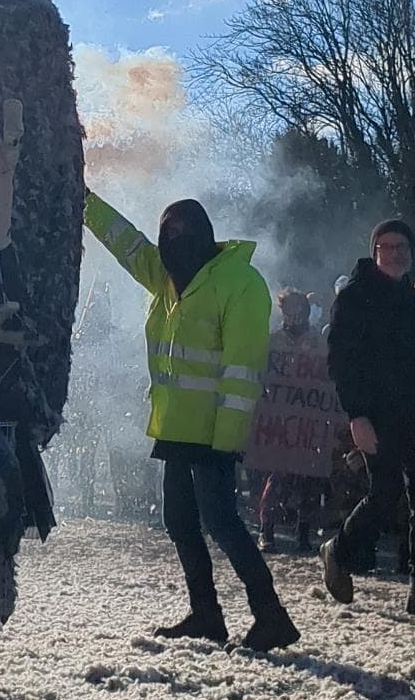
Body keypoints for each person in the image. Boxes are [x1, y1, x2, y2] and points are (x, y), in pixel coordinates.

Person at [84, 190, 299, 650]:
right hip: (175, 427)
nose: (172, 239)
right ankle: (207, 614)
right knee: (180, 522)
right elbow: (127, 243)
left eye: (181, 230)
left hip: (213, 431)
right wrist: (82, 199)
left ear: (204, 233)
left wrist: (227, 438)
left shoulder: (240, 282)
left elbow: (243, 368)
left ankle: (270, 614)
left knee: (222, 522)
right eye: (167, 231)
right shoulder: (165, 277)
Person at [322, 220, 415, 618]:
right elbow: (341, 361)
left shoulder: (414, 302)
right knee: (383, 495)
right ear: (375, 250)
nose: (398, 253)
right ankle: (339, 549)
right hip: (375, 413)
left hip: (413, 411)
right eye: (389, 246)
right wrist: (358, 415)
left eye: (404, 246)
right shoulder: (354, 297)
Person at [257, 289, 325, 554]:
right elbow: (262, 376)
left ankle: (304, 533)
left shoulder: (318, 343)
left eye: (300, 310)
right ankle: (267, 531)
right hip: (281, 419)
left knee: (309, 479)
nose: (295, 315)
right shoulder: (273, 341)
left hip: (309, 420)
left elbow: (325, 381)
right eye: (290, 310)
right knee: (277, 477)